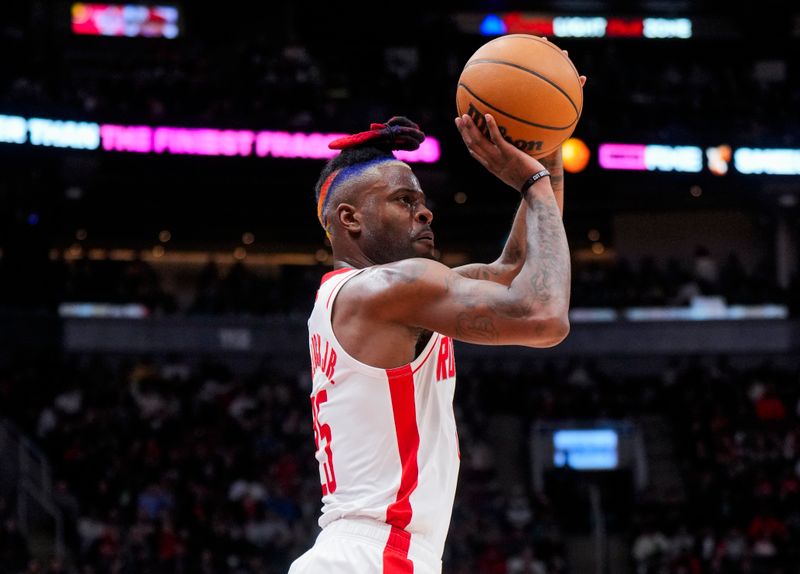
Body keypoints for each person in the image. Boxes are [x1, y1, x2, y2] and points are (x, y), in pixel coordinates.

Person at [290, 68, 583, 574]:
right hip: (371, 556)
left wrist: (548, 140)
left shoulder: (391, 295)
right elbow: (544, 316)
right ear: (349, 218)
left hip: (377, 554)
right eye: (404, 201)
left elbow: (515, 268)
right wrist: (531, 180)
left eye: (423, 202)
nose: (426, 214)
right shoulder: (386, 290)